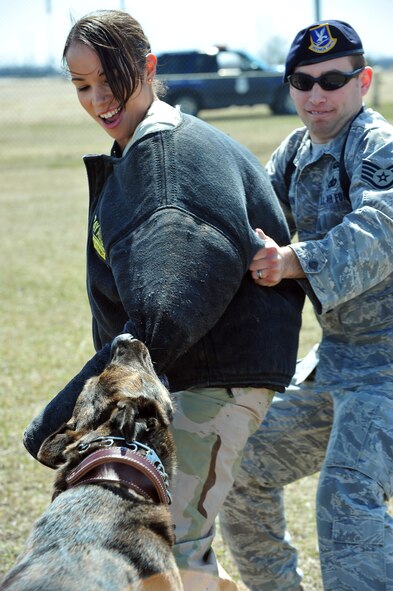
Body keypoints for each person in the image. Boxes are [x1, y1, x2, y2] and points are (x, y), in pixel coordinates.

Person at [22, 10, 305, 591]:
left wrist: (58, 419)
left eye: (112, 79)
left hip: (210, 380)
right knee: (177, 551)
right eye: (81, 85)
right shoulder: (148, 145)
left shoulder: (164, 159)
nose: (98, 98)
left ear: (149, 69)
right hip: (199, 375)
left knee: (167, 550)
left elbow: (164, 312)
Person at [220, 19, 393, 591]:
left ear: (363, 81)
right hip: (337, 365)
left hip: (388, 371)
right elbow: (251, 226)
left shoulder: (379, 146)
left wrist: (293, 261)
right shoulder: (293, 154)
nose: (317, 94)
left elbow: (381, 231)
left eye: (333, 79)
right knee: (239, 467)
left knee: (346, 499)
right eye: (302, 81)